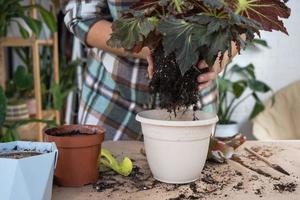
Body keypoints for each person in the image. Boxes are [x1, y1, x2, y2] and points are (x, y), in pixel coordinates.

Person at [64, 0, 240, 140]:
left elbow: (242, 19)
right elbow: (80, 16)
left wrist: (222, 54)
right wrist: (150, 46)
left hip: (193, 102)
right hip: (113, 100)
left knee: (188, 176)